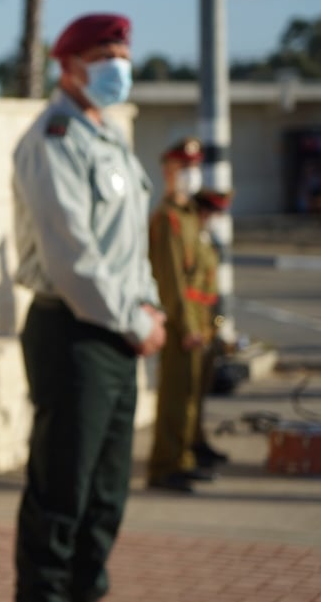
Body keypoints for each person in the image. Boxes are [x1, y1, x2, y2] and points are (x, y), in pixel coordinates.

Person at [11, 12, 167, 602]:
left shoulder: (109, 139)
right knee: (62, 494)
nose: (116, 68)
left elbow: (129, 246)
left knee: (105, 495)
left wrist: (147, 307)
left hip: (118, 335)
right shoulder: (54, 140)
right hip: (73, 332)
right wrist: (135, 321)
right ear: (69, 67)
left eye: (121, 56)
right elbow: (72, 257)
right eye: (104, 58)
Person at [146, 137, 215, 493]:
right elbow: (172, 280)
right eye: (182, 168)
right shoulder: (168, 219)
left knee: (190, 395)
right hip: (179, 321)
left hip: (197, 320)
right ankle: (165, 466)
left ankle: (183, 458)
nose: (190, 175)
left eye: (193, 167)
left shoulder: (190, 216)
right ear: (167, 172)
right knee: (175, 396)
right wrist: (187, 326)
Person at [191, 187, 234, 469]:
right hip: (193, 325)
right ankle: (181, 454)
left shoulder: (207, 238)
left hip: (207, 323)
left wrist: (218, 326)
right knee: (185, 395)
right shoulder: (188, 233)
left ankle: (197, 443)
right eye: (211, 212)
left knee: (200, 391)